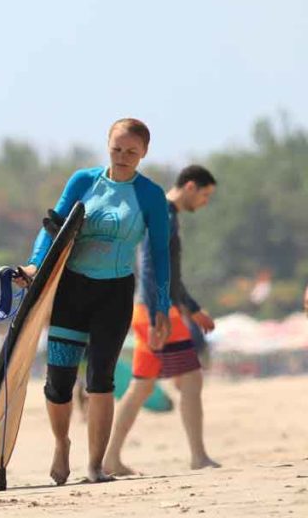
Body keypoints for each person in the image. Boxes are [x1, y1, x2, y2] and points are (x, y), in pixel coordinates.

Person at [16, 118, 171, 485]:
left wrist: (161, 307)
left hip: (114, 294)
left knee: (100, 379)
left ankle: (96, 465)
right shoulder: (84, 181)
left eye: (131, 151)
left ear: (144, 152)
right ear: (107, 145)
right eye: (117, 149)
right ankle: (61, 444)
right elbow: (52, 225)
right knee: (58, 381)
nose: (123, 157)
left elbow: (160, 254)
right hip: (71, 289)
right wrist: (36, 264)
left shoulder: (149, 195)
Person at [105, 165, 220, 475]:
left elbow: (171, 275)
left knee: (141, 387)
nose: (205, 203)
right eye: (205, 196)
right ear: (191, 187)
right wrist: (160, 314)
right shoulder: (164, 215)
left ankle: (110, 459)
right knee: (192, 379)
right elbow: (150, 266)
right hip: (158, 312)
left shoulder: (163, 214)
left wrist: (193, 309)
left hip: (148, 309)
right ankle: (198, 457)